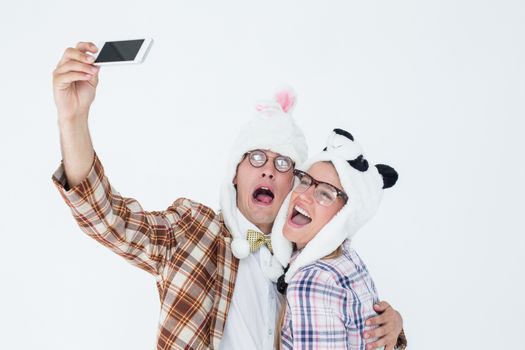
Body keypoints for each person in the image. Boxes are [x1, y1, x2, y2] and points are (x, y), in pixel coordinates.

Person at [51, 41, 406, 349]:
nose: (268, 169)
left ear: (295, 184)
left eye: (283, 163)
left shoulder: (308, 260)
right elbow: (107, 218)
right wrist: (72, 119)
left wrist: (391, 328)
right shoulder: (193, 231)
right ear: (235, 175)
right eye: (256, 158)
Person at [271, 128, 407, 349]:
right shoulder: (346, 258)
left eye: (325, 193)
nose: (303, 195)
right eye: (304, 181)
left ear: (343, 216)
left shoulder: (311, 282)